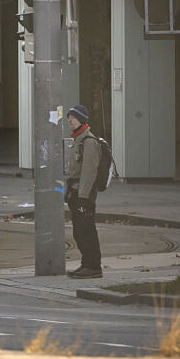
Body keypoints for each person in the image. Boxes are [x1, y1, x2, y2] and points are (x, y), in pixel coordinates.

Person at [65, 104, 103, 279]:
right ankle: (86, 264)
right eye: (69, 118)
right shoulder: (78, 140)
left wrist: (83, 198)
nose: (70, 121)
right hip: (76, 193)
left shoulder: (89, 142)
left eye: (72, 117)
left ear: (81, 119)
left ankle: (93, 266)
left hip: (84, 195)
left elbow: (89, 172)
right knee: (79, 231)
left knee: (86, 230)